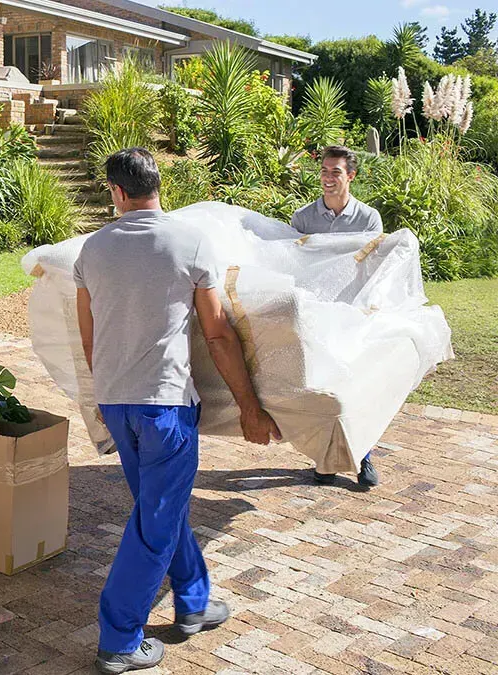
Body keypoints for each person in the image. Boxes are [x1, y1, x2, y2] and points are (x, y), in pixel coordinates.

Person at [75, 148, 282, 674]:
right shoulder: (189, 242)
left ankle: (193, 601)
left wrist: (100, 399)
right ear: (158, 187)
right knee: (156, 522)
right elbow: (217, 334)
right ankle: (120, 637)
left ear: (116, 193)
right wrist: (249, 408)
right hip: (164, 406)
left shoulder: (91, 251)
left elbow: (88, 337)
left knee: (160, 509)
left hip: (117, 402)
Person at [291, 145, 382, 488]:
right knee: (322, 388)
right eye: (325, 171)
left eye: (336, 172)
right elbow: (295, 265)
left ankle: (363, 458)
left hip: (351, 313)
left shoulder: (368, 219)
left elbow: (370, 267)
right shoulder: (303, 218)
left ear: (351, 176)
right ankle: (325, 461)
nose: (328, 179)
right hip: (314, 314)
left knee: (355, 386)